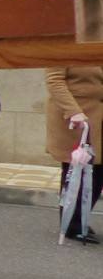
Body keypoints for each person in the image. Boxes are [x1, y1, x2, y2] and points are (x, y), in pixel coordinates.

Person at [44, 67, 102, 243]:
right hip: (77, 117)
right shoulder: (63, 45)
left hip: (98, 115)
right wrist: (73, 111)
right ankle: (71, 223)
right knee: (76, 170)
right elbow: (54, 81)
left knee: (98, 172)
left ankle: (79, 219)